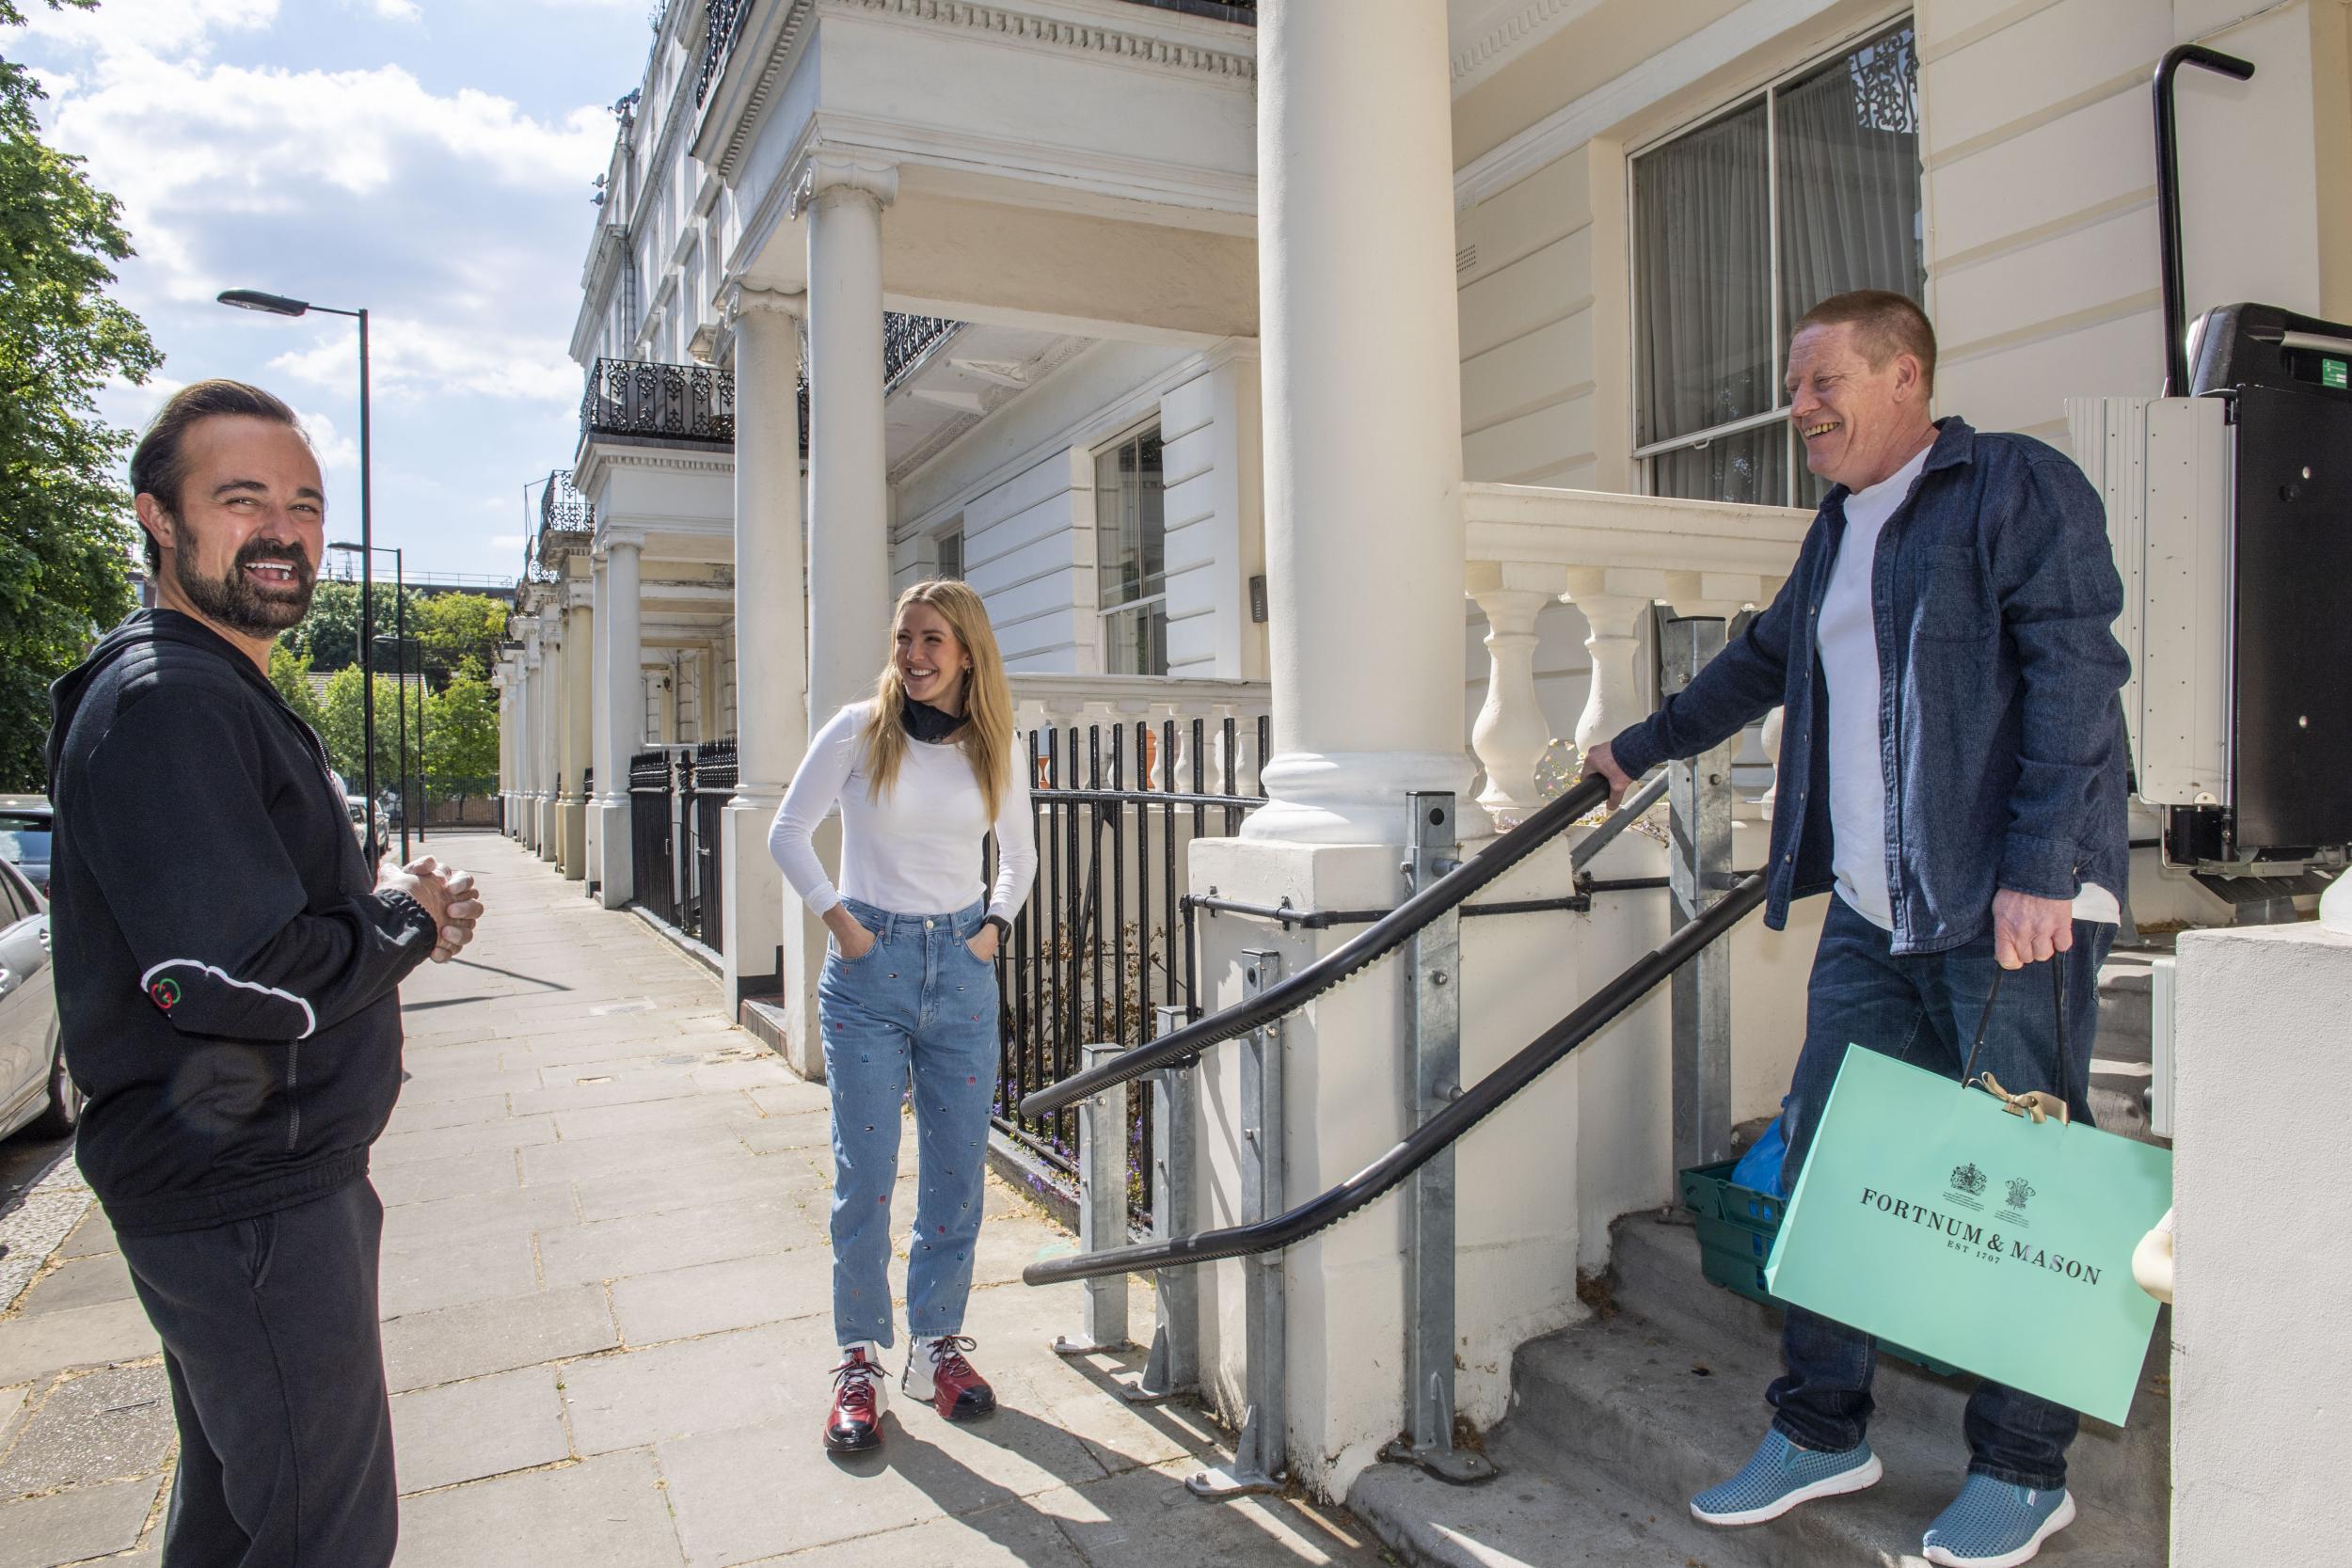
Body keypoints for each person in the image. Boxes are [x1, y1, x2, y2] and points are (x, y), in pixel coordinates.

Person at [1583, 291, 2127, 1568]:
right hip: (1878, 911)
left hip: (2010, 906)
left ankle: (2023, 1464)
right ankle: (1823, 1425)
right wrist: (1637, 746)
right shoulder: (1836, 531)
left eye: (1822, 379)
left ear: (1905, 375)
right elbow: (1762, 661)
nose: (1800, 406)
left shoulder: (2014, 488)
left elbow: (2075, 674)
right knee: (1831, 1167)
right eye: (1795, 384)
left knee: (2022, 1188)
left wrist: (2044, 865)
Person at [47, 380, 485, 1567]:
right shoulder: (169, 701)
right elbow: (227, 977)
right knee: (323, 1533)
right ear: (157, 517)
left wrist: (391, 917)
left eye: (305, 503)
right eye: (241, 500)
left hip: (247, 1186)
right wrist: (401, 919)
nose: (285, 530)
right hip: (249, 1198)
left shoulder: (203, 686)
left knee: (244, 1514)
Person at [769, 580, 1038, 1454]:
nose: (913, 656)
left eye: (931, 641)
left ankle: (935, 1347)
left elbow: (1020, 855)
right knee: (868, 1175)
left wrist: (992, 930)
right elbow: (788, 829)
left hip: (960, 973)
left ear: (966, 652)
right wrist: (841, 923)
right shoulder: (857, 729)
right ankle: (859, 1360)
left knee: (958, 1174)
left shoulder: (995, 744)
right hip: (868, 972)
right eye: (904, 639)